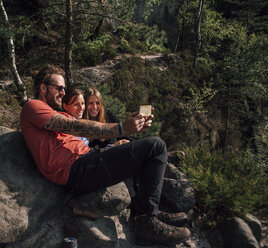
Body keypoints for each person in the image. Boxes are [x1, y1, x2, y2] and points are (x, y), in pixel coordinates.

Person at [20, 64, 190, 245]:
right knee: (155, 146)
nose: (63, 92)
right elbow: (77, 127)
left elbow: (82, 128)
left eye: (64, 88)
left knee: (144, 148)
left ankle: (149, 210)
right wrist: (121, 128)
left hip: (87, 161)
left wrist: (133, 122)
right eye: (59, 88)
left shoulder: (55, 112)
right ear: (43, 87)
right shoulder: (33, 106)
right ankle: (145, 221)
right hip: (77, 169)